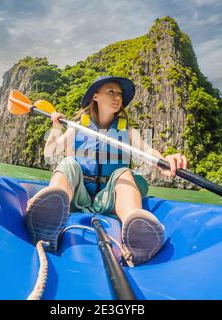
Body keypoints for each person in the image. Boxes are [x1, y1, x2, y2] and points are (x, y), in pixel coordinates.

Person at [26, 75, 187, 265]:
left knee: (124, 173)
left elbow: (147, 151)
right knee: (68, 163)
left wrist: (165, 161)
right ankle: (50, 219)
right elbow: (50, 152)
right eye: (111, 92)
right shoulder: (77, 127)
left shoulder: (126, 131)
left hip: (110, 199)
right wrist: (55, 128)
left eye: (119, 94)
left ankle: (134, 230)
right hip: (79, 195)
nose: (117, 97)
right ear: (95, 96)